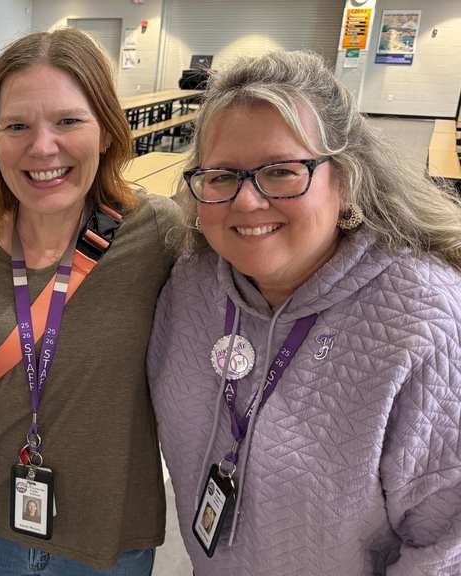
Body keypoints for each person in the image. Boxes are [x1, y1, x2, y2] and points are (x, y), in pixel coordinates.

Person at [149, 50, 461, 574]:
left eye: (281, 171)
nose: (247, 202)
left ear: (344, 179)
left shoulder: (425, 320)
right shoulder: (191, 284)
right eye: (222, 176)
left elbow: (447, 550)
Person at [0, 28, 181, 574]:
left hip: (107, 534)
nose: (42, 146)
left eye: (68, 121)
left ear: (106, 131)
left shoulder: (159, 234)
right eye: (17, 125)